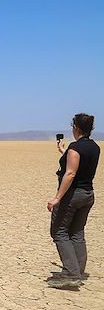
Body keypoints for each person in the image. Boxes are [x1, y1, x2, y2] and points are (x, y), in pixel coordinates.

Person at [46, 113, 99, 289]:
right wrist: (64, 151)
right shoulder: (94, 147)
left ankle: (71, 274)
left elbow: (70, 173)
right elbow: (78, 163)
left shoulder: (75, 147)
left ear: (75, 127)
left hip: (73, 196)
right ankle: (78, 270)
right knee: (76, 232)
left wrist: (57, 198)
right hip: (87, 194)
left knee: (59, 232)